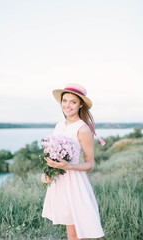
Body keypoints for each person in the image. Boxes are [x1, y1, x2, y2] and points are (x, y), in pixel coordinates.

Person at [41, 83, 105, 240]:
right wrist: (48, 171)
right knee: (70, 228)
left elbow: (90, 164)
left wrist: (68, 166)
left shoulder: (82, 129)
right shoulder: (59, 125)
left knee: (76, 233)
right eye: (64, 100)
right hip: (59, 181)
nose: (67, 105)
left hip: (74, 183)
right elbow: (54, 154)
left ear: (80, 104)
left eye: (73, 102)